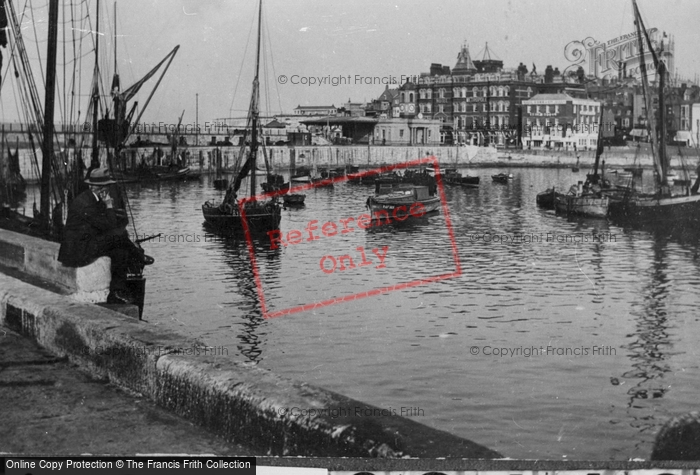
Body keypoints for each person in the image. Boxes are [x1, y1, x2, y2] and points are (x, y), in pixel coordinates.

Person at [57, 167, 153, 304]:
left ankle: (116, 292)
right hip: (78, 250)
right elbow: (110, 226)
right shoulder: (85, 203)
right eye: (101, 186)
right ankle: (138, 256)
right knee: (118, 236)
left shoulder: (92, 198)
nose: (105, 189)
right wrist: (108, 205)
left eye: (106, 186)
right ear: (91, 186)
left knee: (120, 252)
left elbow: (112, 223)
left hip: (86, 243)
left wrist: (109, 209)